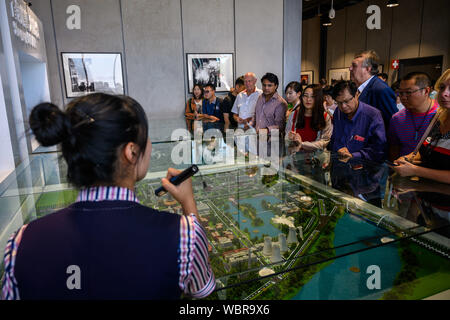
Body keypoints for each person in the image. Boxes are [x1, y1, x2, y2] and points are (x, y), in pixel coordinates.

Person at [1, 93, 215, 300]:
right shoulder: (183, 234)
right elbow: (201, 289)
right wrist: (189, 202)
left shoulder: (21, 242)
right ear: (131, 152)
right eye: (146, 137)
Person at [392, 69, 450, 184]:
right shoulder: (438, 118)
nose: (444, 93)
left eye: (408, 92)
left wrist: (415, 170)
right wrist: (408, 158)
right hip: (425, 194)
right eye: (442, 87)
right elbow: (426, 151)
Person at [329, 80, 387, 163]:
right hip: (339, 166)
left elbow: (378, 150)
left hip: (363, 168)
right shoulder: (338, 112)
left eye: (346, 101)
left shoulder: (373, 115)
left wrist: (354, 155)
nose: (343, 106)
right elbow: (335, 139)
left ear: (356, 94)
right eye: (338, 102)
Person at [388, 72, 439, 160]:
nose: (403, 98)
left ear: (426, 91)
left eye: (408, 92)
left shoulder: (442, 115)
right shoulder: (397, 119)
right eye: (400, 93)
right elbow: (394, 148)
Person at [349, 50, 397, 129]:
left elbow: (392, 124)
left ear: (368, 69)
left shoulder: (381, 89)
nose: (350, 68)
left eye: (354, 65)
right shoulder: (357, 89)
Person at [285, 84, 332, 151]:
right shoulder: (294, 114)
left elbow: (324, 142)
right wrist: (289, 138)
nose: (308, 99)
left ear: (318, 98)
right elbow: (286, 136)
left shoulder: (325, 117)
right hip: (296, 157)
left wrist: (302, 144)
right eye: (305, 96)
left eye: (312, 97)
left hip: (317, 158)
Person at [252, 72, 287, 137]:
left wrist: (267, 130)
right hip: (257, 137)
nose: (266, 88)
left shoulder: (280, 103)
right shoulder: (260, 97)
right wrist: (250, 124)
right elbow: (256, 115)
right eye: (264, 85)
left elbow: (281, 126)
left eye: (269, 85)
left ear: (276, 86)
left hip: (272, 140)